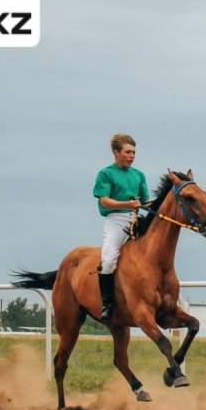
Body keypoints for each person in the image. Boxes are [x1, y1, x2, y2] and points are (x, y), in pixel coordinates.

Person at [92, 134, 150, 321]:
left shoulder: (139, 175)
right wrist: (127, 203)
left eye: (134, 152)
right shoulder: (106, 173)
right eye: (128, 152)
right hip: (116, 221)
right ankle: (107, 304)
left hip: (135, 219)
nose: (132, 156)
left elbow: (146, 201)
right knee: (108, 260)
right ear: (116, 153)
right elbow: (105, 201)